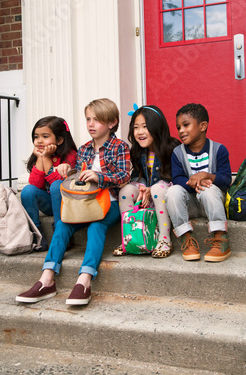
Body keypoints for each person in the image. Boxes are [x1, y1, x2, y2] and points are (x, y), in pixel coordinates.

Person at [16, 98, 131, 306]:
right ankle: (46, 279)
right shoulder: (85, 149)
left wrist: (99, 177)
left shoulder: (120, 147)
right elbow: (77, 178)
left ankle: (84, 281)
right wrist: (66, 171)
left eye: (97, 120)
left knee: (96, 227)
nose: (90, 124)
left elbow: (124, 176)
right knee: (62, 226)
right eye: (88, 119)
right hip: (83, 202)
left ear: (112, 122)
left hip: (109, 203)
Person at [166, 103, 232, 262]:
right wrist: (194, 182)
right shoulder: (177, 153)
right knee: (172, 191)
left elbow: (226, 180)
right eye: (178, 127)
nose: (181, 131)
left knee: (208, 189)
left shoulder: (219, 150)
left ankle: (221, 239)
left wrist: (207, 176)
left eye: (186, 125)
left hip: (211, 202)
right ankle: (187, 240)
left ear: (203, 126)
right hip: (190, 205)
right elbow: (177, 178)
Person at [113, 104, 180, 258]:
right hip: (146, 194)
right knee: (126, 191)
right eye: (136, 127)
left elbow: (174, 177)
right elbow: (137, 174)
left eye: (145, 126)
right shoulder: (137, 150)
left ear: (157, 127)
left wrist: (152, 189)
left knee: (157, 189)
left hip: (163, 195)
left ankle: (164, 239)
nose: (140, 132)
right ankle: (129, 238)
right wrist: (142, 187)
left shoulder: (172, 147)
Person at [21, 116, 77, 250]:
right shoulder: (40, 155)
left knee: (57, 186)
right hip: (49, 204)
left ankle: (61, 232)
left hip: (67, 204)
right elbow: (36, 185)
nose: (39, 141)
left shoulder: (71, 155)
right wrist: (41, 158)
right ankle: (36, 234)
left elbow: (58, 184)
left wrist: (46, 159)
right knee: (28, 190)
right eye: (36, 136)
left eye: (45, 136)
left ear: (59, 140)